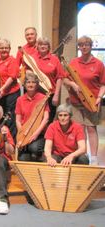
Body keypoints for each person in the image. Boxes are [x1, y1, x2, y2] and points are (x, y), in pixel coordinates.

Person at [63, 36, 105, 165]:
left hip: (92, 103)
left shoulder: (98, 64)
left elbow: (103, 84)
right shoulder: (74, 63)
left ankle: (94, 159)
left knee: (92, 129)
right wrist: (72, 84)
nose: (84, 47)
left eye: (87, 44)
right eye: (81, 45)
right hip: (76, 103)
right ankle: (83, 156)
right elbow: (64, 79)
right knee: (79, 130)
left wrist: (99, 98)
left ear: (91, 46)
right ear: (79, 47)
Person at [15, 72, 49, 161]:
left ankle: (39, 158)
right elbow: (18, 120)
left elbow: (46, 118)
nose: (31, 84)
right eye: (28, 82)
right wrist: (22, 134)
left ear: (37, 85)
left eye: (33, 82)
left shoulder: (43, 98)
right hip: (24, 133)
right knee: (22, 159)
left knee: (34, 148)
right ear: (25, 84)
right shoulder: (20, 100)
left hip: (39, 134)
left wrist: (35, 134)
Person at [31, 37, 65, 122]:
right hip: (36, 93)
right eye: (40, 44)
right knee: (36, 119)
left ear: (48, 46)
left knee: (48, 119)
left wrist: (56, 95)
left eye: (45, 44)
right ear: (37, 46)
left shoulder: (54, 59)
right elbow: (26, 72)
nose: (42, 46)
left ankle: (47, 135)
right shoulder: (32, 58)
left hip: (50, 94)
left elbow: (59, 77)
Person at [0, 39, 20, 139]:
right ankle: (2, 140)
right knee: (1, 116)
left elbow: (12, 77)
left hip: (11, 93)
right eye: (1, 48)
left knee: (10, 118)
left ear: (9, 49)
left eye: (6, 48)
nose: (4, 50)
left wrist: (2, 89)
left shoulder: (12, 61)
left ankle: (12, 140)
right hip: (1, 93)